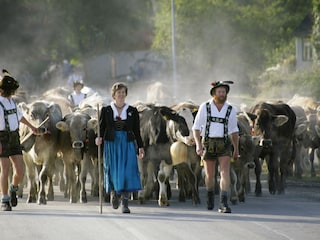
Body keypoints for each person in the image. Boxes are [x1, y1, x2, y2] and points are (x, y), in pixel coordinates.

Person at [95, 82, 144, 213]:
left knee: (128, 171)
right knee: (113, 170)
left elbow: (136, 131)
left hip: (127, 143)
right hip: (112, 143)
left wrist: (140, 147)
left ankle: (125, 203)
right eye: (119, 92)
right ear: (114, 95)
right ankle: (113, 193)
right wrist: (98, 138)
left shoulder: (132, 111)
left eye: (123, 92)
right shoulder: (106, 110)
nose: (121, 95)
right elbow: (101, 128)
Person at [192, 81, 239, 213]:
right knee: (210, 174)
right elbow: (196, 128)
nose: (222, 94)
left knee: (224, 172)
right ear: (214, 94)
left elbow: (234, 131)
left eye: (224, 92)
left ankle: (223, 203)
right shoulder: (204, 107)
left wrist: (236, 148)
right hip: (208, 143)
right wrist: (198, 145)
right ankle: (210, 196)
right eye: (219, 92)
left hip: (224, 143)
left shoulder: (231, 109)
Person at [0, 69, 38, 211]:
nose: (10, 93)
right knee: (5, 169)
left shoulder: (13, 103)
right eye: (9, 90)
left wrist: (31, 127)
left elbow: (20, 116)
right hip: (2, 137)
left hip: (15, 136)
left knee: (20, 170)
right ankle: (4, 199)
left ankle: (13, 189)